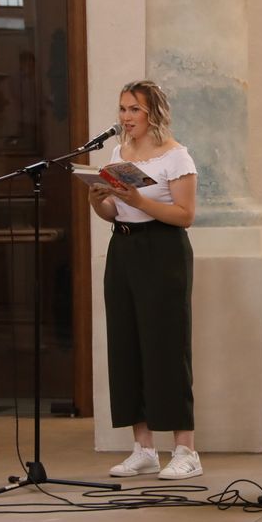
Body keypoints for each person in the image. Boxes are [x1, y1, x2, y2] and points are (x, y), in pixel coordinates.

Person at [88, 80, 201, 480]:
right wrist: (99, 202)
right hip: (124, 250)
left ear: (152, 113)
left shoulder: (176, 156)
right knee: (127, 344)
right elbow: (116, 214)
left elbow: (185, 215)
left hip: (164, 251)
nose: (125, 117)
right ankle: (144, 447)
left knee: (165, 347)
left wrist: (140, 201)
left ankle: (185, 449)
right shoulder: (119, 154)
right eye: (122, 109)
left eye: (133, 109)